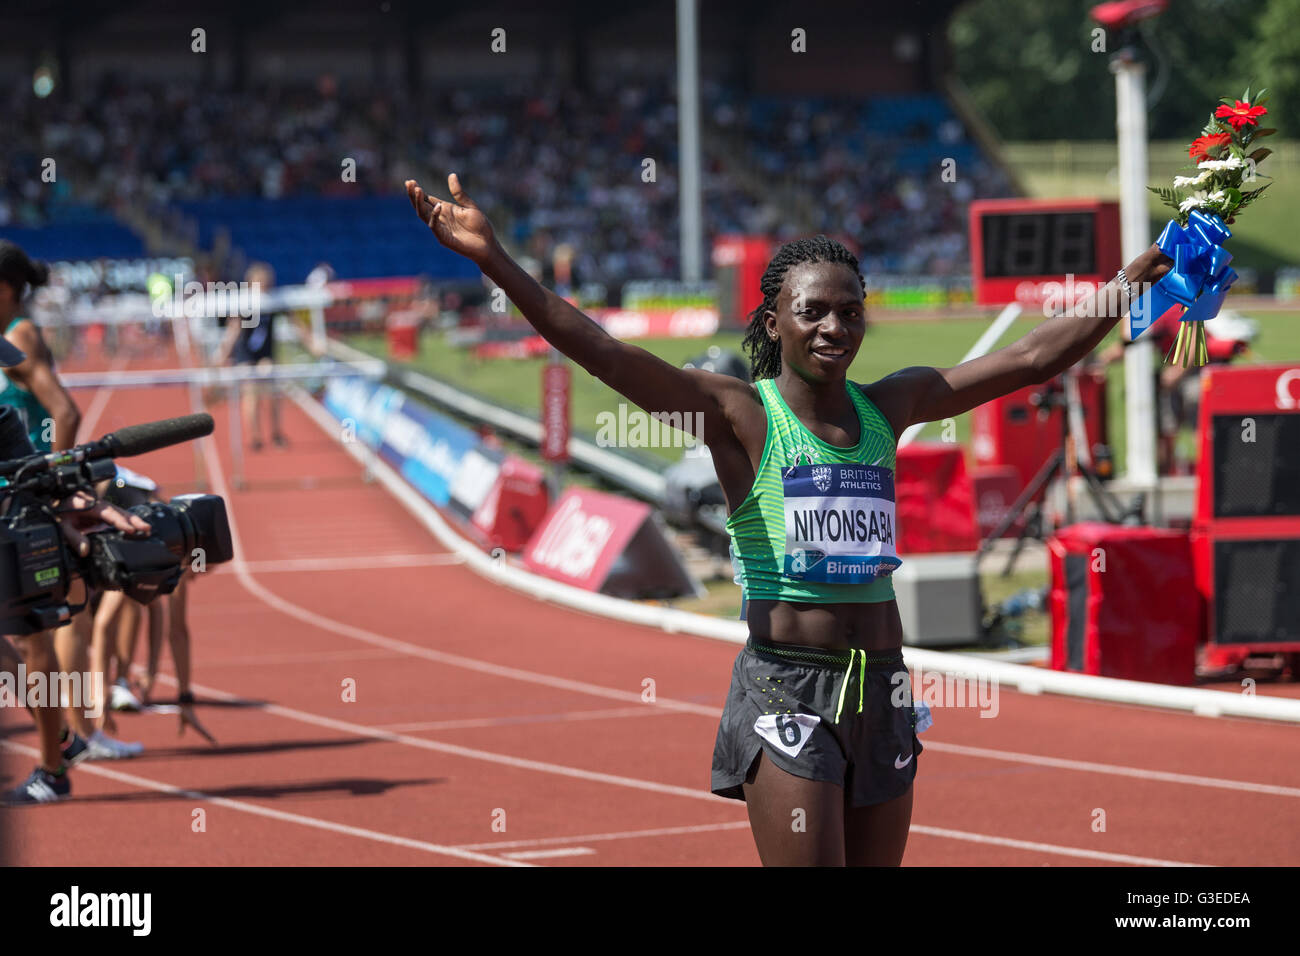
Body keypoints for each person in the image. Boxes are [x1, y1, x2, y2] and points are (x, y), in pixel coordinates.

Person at [405, 173, 1173, 865]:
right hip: (786, 691)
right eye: (812, 312)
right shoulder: (738, 413)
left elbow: (1034, 358)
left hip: (883, 689)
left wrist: (1127, 283)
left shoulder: (893, 404)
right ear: (774, 323)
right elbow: (604, 353)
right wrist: (493, 259)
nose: (834, 327)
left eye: (850, 311)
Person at [0, 243, 153, 806]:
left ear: (7, 289)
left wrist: (56, 490)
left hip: (25, 501)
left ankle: (56, 759)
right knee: (21, 637)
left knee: (37, 635)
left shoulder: (17, 337)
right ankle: (62, 740)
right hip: (12, 493)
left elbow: (63, 413)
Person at [216, 262, 287, 450]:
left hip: (266, 354)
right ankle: (255, 436)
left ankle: (276, 432)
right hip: (245, 355)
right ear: (250, 283)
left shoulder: (274, 300)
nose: (264, 285)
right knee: (251, 393)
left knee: (272, 389)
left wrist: (312, 340)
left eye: (266, 282)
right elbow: (234, 329)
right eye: (260, 281)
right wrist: (223, 353)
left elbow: (296, 320)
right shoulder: (243, 302)